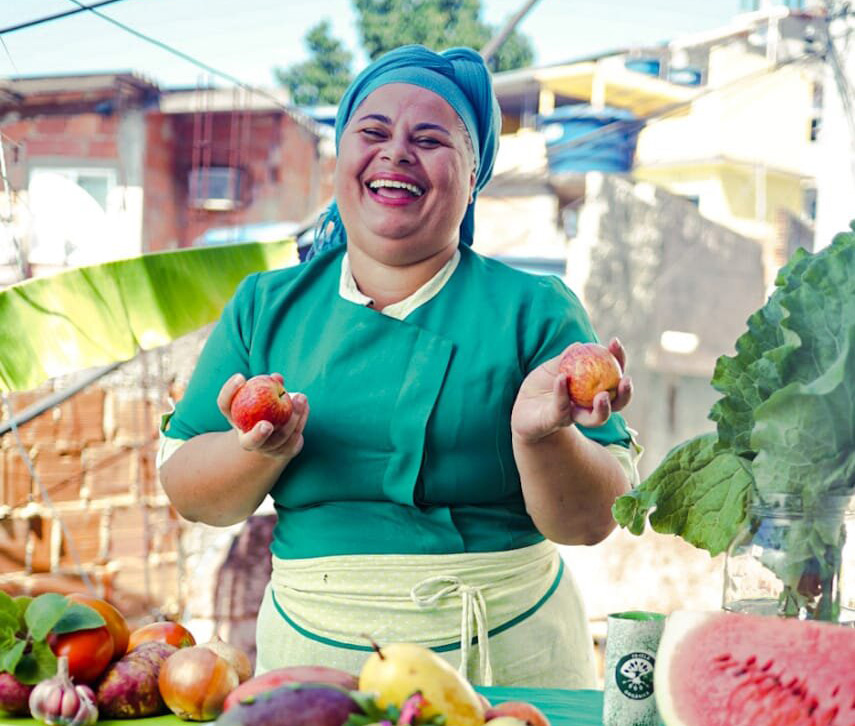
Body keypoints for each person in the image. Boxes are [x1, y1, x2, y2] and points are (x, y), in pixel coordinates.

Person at [157, 44, 638, 689]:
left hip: (508, 664)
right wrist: (259, 452)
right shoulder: (264, 307)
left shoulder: (536, 311)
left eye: (431, 138)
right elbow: (191, 495)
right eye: (374, 131)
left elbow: (590, 523)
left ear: (473, 178)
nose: (396, 151)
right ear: (341, 159)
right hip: (317, 668)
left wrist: (539, 437)